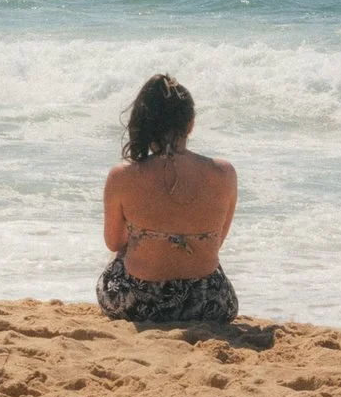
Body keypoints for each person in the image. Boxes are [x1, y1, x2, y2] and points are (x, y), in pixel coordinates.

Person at [98, 73, 241, 326]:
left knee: (123, 252)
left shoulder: (122, 176)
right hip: (211, 302)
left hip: (141, 305)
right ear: (190, 124)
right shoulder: (225, 173)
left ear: (143, 125)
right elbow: (216, 243)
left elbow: (113, 242)